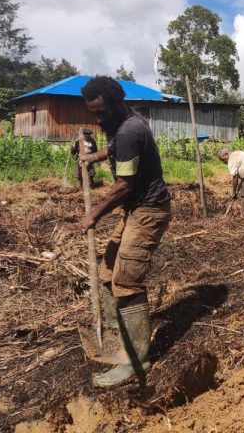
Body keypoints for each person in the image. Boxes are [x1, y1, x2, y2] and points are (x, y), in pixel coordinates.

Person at [77, 76, 171, 388]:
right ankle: (119, 334)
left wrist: (93, 215)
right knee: (108, 269)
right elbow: (114, 148)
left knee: (127, 280)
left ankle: (137, 358)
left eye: (102, 112)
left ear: (117, 103)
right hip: (134, 210)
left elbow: (123, 186)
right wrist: (92, 156)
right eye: (93, 113)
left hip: (148, 211)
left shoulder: (130, 130)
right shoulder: (122, 125)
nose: (97, 118)